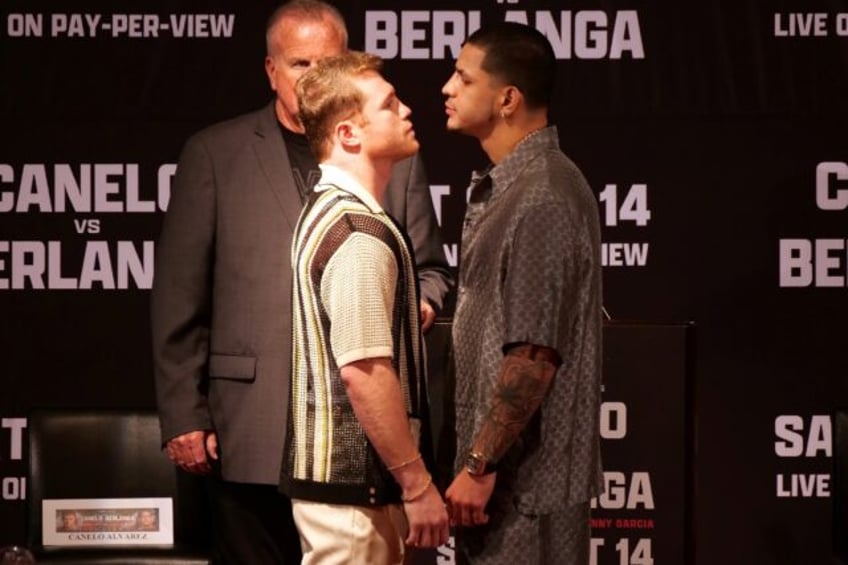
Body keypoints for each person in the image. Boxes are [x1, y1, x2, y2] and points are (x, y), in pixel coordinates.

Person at [150, 1, 451, 563]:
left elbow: (429, 271)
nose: (315, 79)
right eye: (299, 64)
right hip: (253, 423)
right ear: (271, 70)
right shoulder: (216, 153)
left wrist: (413, 307)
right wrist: (184, 412)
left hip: (352, 443)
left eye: (329, 63)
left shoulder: (394, 161)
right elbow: (178, 294)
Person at [441, 22, 603, 564]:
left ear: (507, 99)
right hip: (505, 489)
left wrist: (479, 464)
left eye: (463, 78)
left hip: (524, 495)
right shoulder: (517, 188)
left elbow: (534, 354)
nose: (447, 88)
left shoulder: (544, 199)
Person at [281, 50, 450, 564]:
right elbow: (364, 372)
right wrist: (418, 486)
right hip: (356, 498)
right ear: (349, 134)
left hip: (348, 494)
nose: (406, 111)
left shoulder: (332, 211)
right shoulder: (356, 233)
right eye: (389, 104)